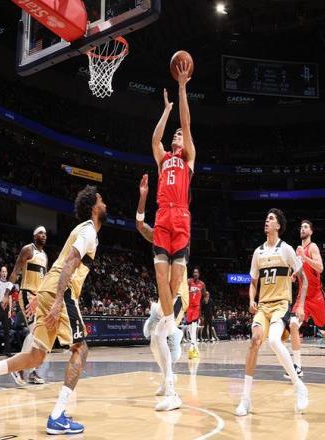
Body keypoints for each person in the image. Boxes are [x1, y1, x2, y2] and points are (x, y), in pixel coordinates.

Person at [0, 186, 106, 435]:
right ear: (93, 208)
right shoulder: (88, 231)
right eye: (101, 201)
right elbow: (69, 262)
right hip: (61, 292)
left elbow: (59, 264)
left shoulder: (84, 231)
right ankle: (57, 416)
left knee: (36, 356)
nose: (105, 204)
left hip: (48, 290)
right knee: (80, 349)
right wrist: (56, 301)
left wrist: (43, 295)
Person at [150, 60, 195, 411]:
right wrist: (165, 111)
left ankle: (169, 326)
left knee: (174, 283)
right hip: (163, 216)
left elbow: (187, 123)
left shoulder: (189, 157)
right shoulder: (164, 158)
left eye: (179, 134)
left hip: (181, 218)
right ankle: (169, 326)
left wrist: (181, 89)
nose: (177, 135)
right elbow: (155, 139)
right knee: (160, 279)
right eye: (175, 134)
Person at [236, 209, 309, 416]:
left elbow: (304, 280)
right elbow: (253, 282)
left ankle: (299, 386)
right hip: (263, 307)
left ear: (278, 225)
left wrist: (301, 305)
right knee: (254, 341)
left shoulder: (286, 249)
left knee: (275, 341)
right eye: (266, 218)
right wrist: (251, 299)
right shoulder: (258, 252)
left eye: (271, 219)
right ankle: (245, 399)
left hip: (281, 305)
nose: (266, 221)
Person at [136, 174, 189, 398]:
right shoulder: (158, 234)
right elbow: (140, 224)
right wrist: (143, 197)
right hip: (164, 295)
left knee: (160, 336)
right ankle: (167, 378)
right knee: (154, 341)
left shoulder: (177, 232)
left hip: (178, 294)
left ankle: (170, 383)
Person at [287, 220, 325, 383]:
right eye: (301, 227)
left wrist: (304, 257)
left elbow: (320, 268)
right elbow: (301, 270)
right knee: (293, 324)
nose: (302, 229)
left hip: (317, 297)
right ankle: (297, 367)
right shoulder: (298, 250)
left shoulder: (312, 247)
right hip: (302, 297)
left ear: (311, 231)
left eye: (305, 227)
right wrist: (294, 275)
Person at [7, 226, 48, 385]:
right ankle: (18, 368)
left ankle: (31, 371)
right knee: (35, 331)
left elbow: (44, 279)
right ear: (34, 235)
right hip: (27, 294)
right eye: (40, 233)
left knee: (39, 335)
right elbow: (15, 271)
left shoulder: (44, 255)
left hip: (39, 297)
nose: (43, 235)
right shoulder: (28, 250)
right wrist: (6, 293)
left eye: (45, 233)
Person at [187, 268, 206, 358]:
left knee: (194, 325)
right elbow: (184, 291)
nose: (195, 274)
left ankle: (191, 345)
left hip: (196, 307)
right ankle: (196, 347)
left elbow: (205, 294)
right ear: (192, 274)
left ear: (199, 274)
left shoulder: (202, 284)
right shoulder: (189, 281)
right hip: (189, 306)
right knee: (189, 327)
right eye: (194, 272)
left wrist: (205, 298)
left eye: (197, 272)